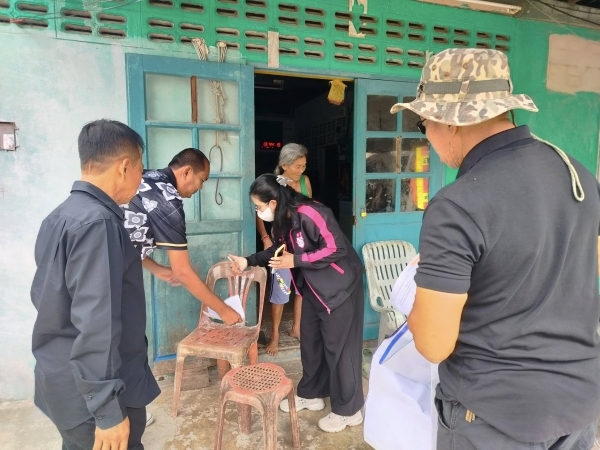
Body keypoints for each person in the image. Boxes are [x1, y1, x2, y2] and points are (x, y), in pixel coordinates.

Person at [394, 48, 600, 449]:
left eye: (423, 124)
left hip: (494, 417)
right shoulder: (577, 173)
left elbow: (434, 345)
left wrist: (423, 284)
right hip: (578, 403)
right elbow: (584, 267)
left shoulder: (458, 204)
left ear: (448, 121)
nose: (428, 137)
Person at [31, 119, 160, 450]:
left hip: (61, 379)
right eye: (140, 169)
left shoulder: (60, 215)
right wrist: (107, 410)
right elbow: (96, 324)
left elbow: (46, 297)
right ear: (124, 167)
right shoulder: (99, 224)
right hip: (92, 395)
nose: (140, 179)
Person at [229, 174, 365, 433]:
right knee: (311, 344)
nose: (258, 212)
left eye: (258, 206)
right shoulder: (282, 221)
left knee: (340, 350)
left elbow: (335, 248)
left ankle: (349, 411)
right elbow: (278, 251)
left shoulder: (313, 212)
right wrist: (248, 261)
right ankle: (313, 393)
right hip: (313, 289)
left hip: (339, 289)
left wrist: (296, 260)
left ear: (272, 203)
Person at [122, 148, 242, 327]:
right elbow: (182, 272)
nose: (201, 187)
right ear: (186, 172)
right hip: (111, 275)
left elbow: (128, 240)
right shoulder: (168, 201)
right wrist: (224, 310)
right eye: (202, 180)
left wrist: (157, 269)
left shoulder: (146, 176)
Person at [256, 143, 313, 355]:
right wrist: (265, 237)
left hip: (302, 243)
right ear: (284, 165)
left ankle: (296, 328)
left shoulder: (305, 181)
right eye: (297, 166)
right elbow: (260, 213)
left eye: (304, 165)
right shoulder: (273, 185)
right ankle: (275, 335)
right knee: (281, 288)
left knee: (302, 287)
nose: (301, 170)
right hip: (282, 244)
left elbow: (311, 209)